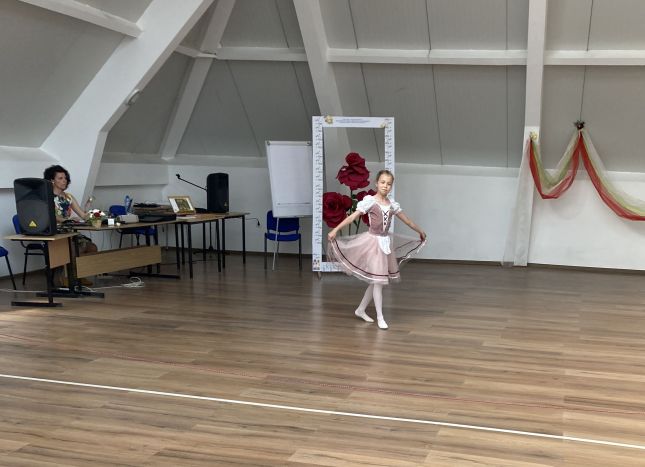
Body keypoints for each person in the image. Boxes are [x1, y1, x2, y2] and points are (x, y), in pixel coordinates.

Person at [327, 170, 426, 329]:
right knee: (378, 282)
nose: (385, 186)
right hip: (372, 244)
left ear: (391, 186)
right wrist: (335, 229)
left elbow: (407, 221)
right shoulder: (370, 201)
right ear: (376, 183)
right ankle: (380, 317)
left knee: (376, 282)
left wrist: (420, 231)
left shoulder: (392, 205)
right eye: (383, 182)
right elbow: (352, 217)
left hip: (385, 244)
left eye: (389, 184)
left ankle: (360, 310)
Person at [43, 165, 97, 286]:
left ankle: (80, 275)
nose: (64, 181)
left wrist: (93, 212)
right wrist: (67, 220)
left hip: (70, 231)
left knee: (92, 248)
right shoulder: (47, 197)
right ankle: (66, 277)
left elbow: (83, 215)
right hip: (56, 232)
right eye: (60, 178)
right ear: (52, 180)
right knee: (73, 249)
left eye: (65, 178)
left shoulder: (68, 197)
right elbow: (51, 216)